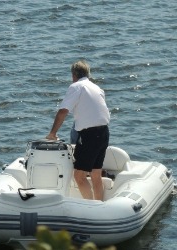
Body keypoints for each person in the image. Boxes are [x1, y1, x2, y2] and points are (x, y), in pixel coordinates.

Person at [46, 60, 110, 201]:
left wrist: (53, 133)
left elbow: (63, 111)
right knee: (95, 174)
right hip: (104, 132)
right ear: (88, 73)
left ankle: (90, 206)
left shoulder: (76, 87)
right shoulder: (97, 88)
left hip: (90, 135)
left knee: (79, 176)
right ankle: (100, 205)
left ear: (73, 75)